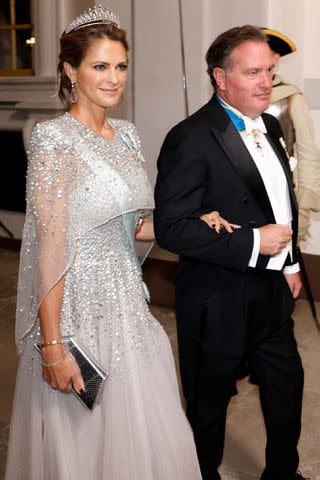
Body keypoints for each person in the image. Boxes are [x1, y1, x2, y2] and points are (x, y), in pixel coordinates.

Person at [4, 5, 223, 479]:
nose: (114, 78)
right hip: (78, 312)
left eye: (120, 66)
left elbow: (136, 227)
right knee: (87, 440)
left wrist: (191, 221)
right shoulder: (53, 138)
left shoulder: (126, 135)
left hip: (128, 305)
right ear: (70, 69)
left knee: (146, 430)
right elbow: (50, 247)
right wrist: (54, 346)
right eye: (100, 66)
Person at [154, 25, 308, 480]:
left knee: (287, 387)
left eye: (271, 71)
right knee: (208, 402)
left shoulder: (273, 123)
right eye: (253, 72)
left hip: (271, 290)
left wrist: (291, 262)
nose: (266, 82)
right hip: (216, 295)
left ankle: (283, 471)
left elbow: (280, 203)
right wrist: (254, 241)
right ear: (220, 78)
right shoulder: (190, 137)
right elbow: (172, 228)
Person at [262, 28, 320, 244]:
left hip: (282, 192)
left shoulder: (291, 97)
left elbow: (308, 155)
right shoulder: (235, 96)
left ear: (276, 59)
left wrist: (303, 207)